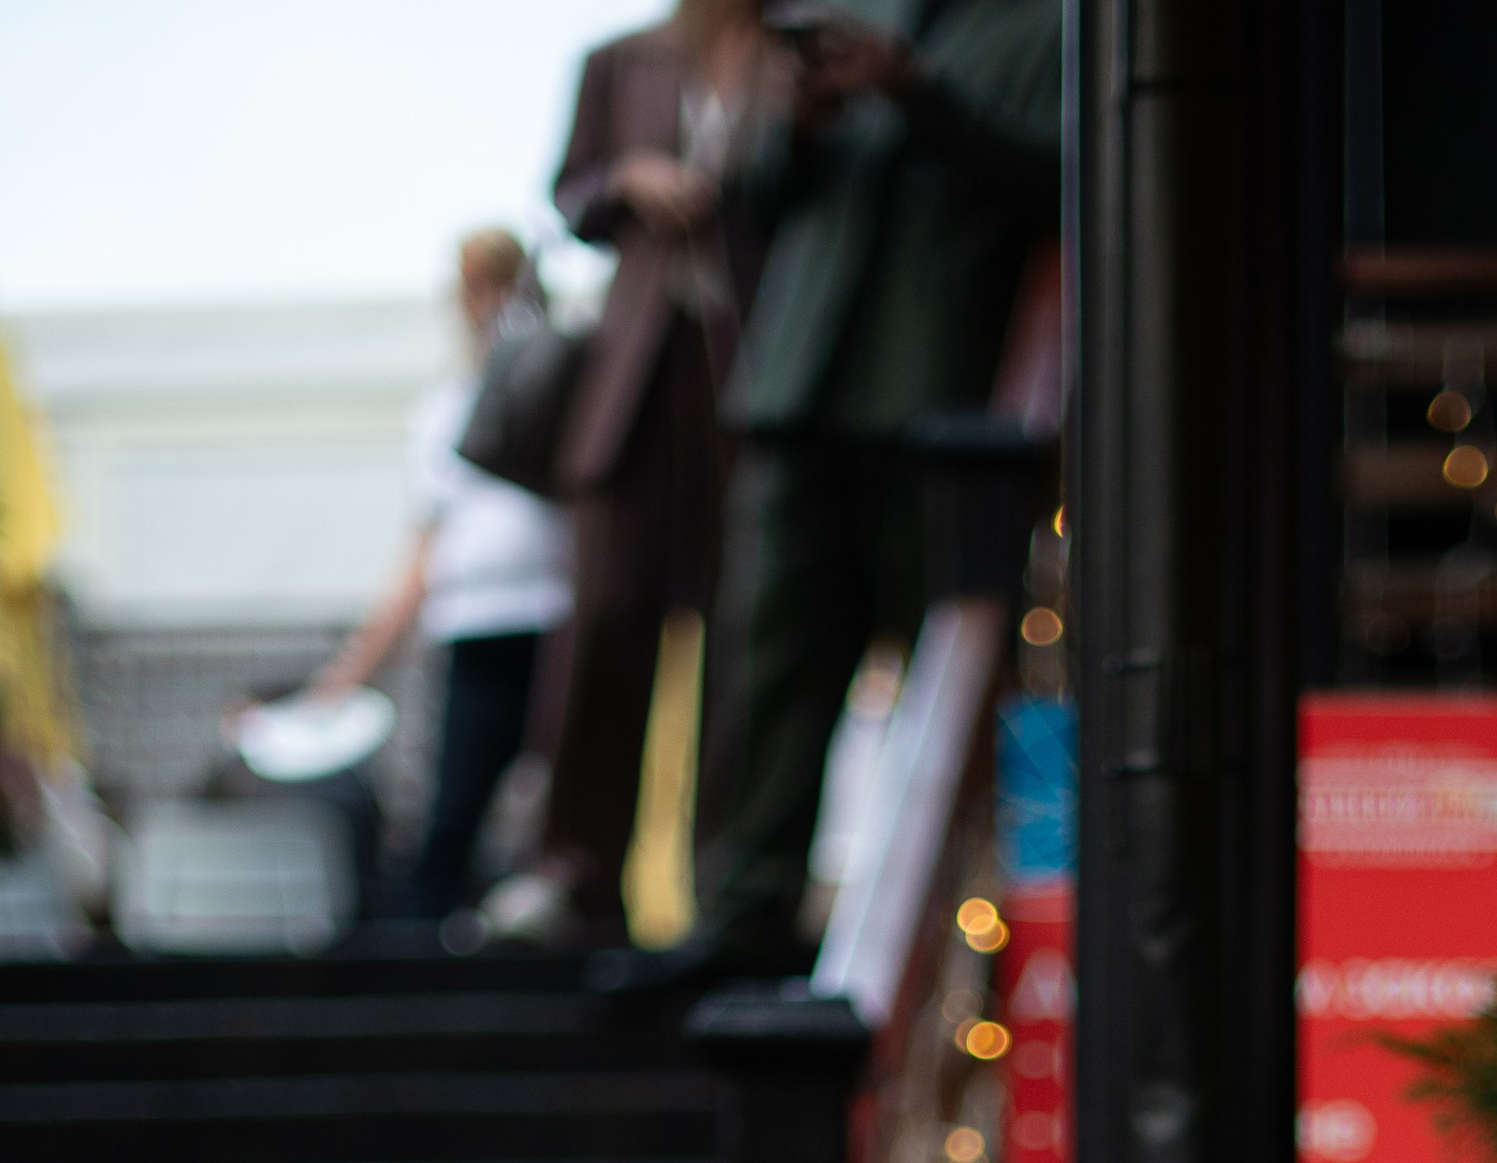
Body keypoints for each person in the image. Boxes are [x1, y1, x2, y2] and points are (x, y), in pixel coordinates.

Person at [627, 0, 1063, 980]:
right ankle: (741, 917)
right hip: (799, 390)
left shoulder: (1048, 25)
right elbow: (755, 199)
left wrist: (914, 91)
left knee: (935, 688)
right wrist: (796, 120)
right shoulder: (856, 16)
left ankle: (930, 941)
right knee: (764, 671)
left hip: (939, 401)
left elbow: (1058, 179)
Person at [477, 0, 767, 952]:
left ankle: (723, 881)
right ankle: (573, 871)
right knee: (604, 622)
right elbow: (569, 199)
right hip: (634, 376)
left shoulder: (795, 52)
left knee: (743, 635)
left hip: (752, 374)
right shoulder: (619, 61)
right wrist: (628, 179)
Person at [306, 233, 573, 929]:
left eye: (497, 284)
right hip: (475, 631)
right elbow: (420, 553)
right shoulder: (442, 410)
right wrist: (349, 671)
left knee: (577, 819)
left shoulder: (571, 384)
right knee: (450, 821)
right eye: (473, 288)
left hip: (559, 620)